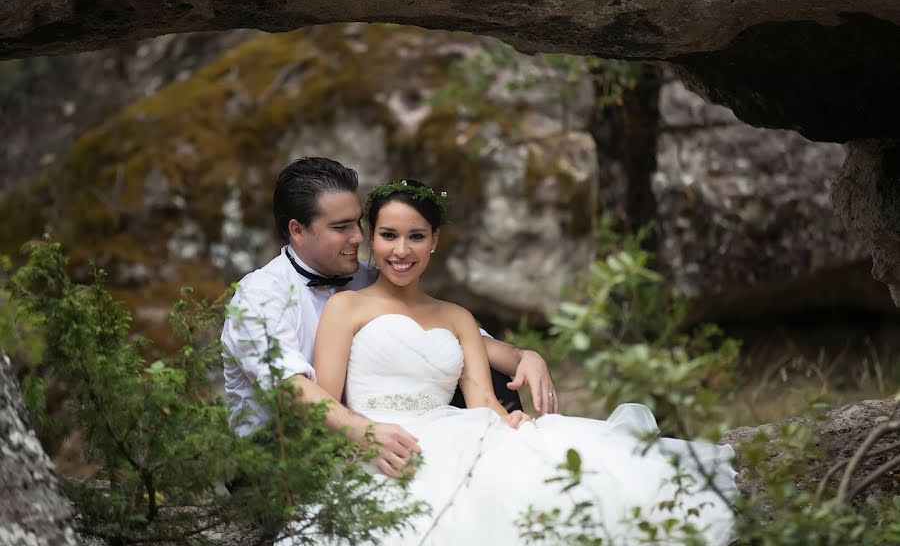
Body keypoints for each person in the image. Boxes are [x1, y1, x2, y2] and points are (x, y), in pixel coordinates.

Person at [283, 179, 736, 545]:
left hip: (458, 431)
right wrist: (359, 439)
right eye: (389, 235)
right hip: (384, 443)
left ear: (435, 241)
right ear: (370, 239)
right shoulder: (347, 308)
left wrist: (508, 421)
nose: (402, 250)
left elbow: (481, 398)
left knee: (542, 479)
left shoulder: (457, 317)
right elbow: (326, 398)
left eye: (416, 236)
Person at [221, 157, 557, 477]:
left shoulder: (371, 275)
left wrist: (523, 356)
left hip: (394, 421)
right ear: (298, 230)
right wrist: (363, 432)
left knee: (494, 385)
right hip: (278, 442)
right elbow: (289, 390)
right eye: (341, 227)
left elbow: (452, 338)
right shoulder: (261, 296)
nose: (357, 238)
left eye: (358, 223)